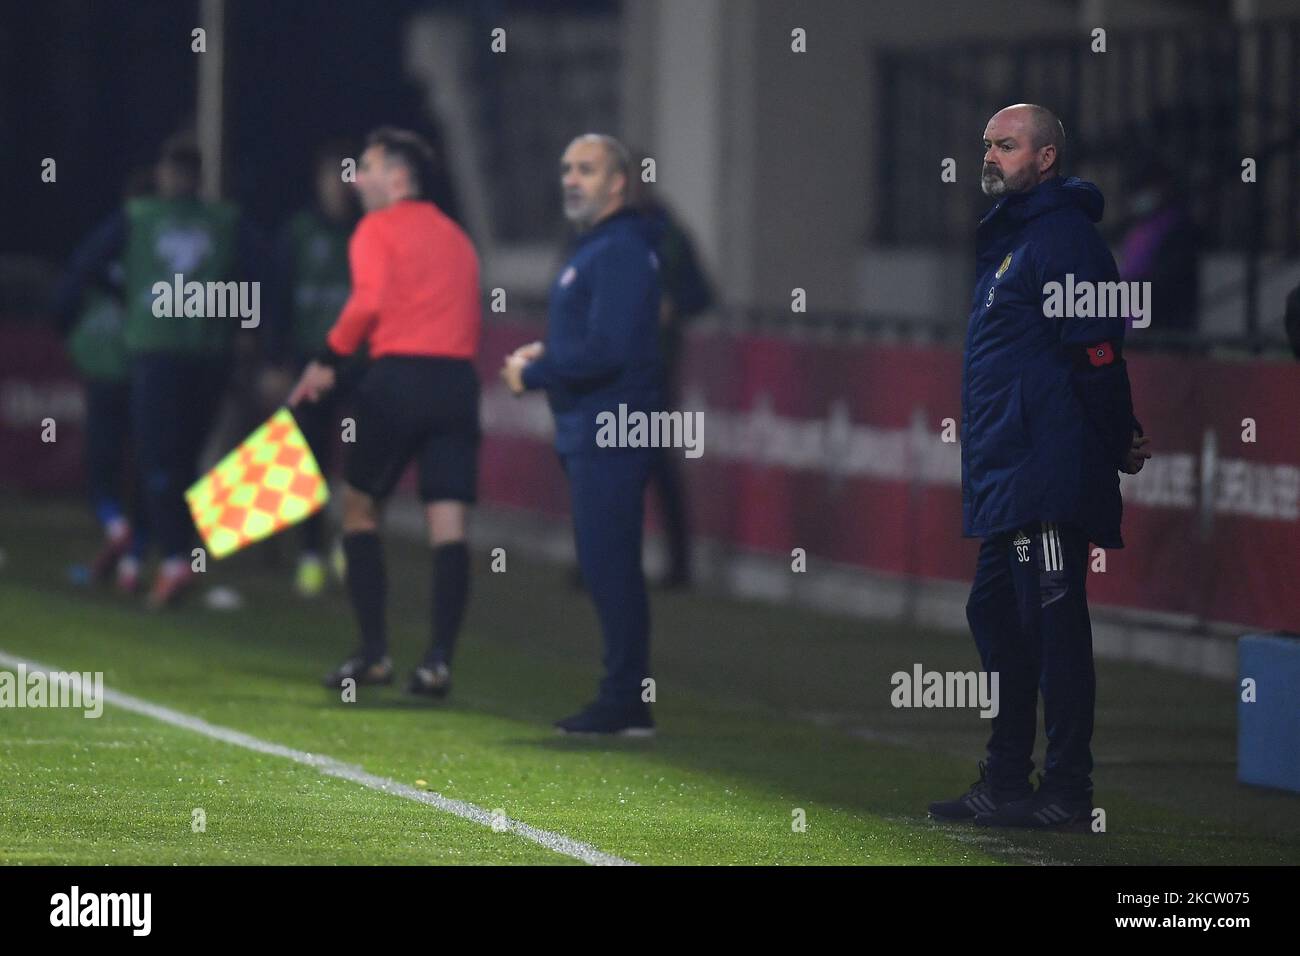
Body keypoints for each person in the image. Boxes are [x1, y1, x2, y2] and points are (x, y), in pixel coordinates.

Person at [928, 104, 1151, 828]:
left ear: (1046, 157)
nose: (989, 155)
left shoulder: (1065, 242)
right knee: (997, 614)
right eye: (986, 143)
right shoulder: (1014, 243)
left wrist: (1118, 437)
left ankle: (1067, 789)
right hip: (1014, 475)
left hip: (1048, 476)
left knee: (1053, 629)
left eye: (1006, 145)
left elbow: (1097, 353)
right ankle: (1005, 780)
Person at [289, 127, 482, 699]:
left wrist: (327, 359)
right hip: (456, 386)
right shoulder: (457, 237)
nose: (354, 178)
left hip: (397, 382)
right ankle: (438, 662)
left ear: (398, 179)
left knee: (358, 512)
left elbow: (368, 305)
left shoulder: (374, 228)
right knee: (449, 528)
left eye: (365, 167)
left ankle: (374, 655)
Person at [54, 133, 269, 608]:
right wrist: (251, 331)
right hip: (210, 357)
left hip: (160, 355)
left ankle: (170, 560)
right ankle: (148, 560)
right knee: (180, 466)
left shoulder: (140, 217)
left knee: (155, 463)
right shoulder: (226, 221)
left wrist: (101, 305)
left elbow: (81, 269)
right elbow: (264, 276)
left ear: (168, 174)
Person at [501, 133, 663, 736]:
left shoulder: (617, 248)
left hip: (612, 427)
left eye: (587, 169)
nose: (571, 179)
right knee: (604, 563)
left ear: (617, 181)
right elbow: (594, 340)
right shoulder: (596, 245)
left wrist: (533, 372)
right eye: (567, 167)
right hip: (592, 425)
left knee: (609, 563)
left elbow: (608, 350)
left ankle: (626, 699)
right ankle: (624, 696)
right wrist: (553, 352)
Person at [54, 167, 156, 593]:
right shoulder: (154, 253)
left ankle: (116, 533)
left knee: (104, 470)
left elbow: (69, 289)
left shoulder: (110, 247)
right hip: (148, 372)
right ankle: (130, 564)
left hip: (114, 371)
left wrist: (62, 323)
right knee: (147, 471)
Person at [265, 141, 360, 597]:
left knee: (360, 462)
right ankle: (308, 554)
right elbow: (276, 299)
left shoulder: (369, 234)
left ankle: (350, 546)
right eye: (332, 177)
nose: (339, 187)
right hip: (309, 364)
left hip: (359, 366)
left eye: (346, 176)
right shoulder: (298, 234)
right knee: (308, 461)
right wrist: (275, 360)